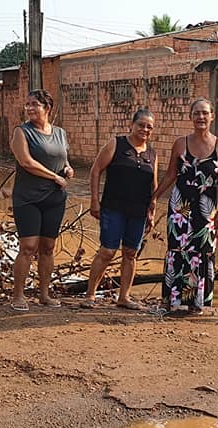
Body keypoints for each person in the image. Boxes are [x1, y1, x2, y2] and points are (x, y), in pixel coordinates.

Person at [151, 98, 218, 315]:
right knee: (177, 250)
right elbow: (170, 175)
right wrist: (154, 197)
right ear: (190, 117)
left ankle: (198, 301)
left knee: (203, 251)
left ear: (212, 116)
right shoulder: (180, 143)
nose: (201, 117)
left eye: (205, 113)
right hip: (180, 207)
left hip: (207, 208)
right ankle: (172, 299)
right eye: (196, 113)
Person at [82, 108, 158, 310]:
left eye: (149, 127)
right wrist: (94, 200)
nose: (144, 129)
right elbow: (96, 170)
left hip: (138, 211)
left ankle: (123, 297)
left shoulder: (152, 153)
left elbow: (154, 185)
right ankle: (90, 295)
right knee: (107, 251)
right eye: (141, 125)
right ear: (131, 125)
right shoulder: (116, 144)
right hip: (113, 207)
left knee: (131, 253)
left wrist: (152, 211)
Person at [9, 89, 75, 311]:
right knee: (28, 246)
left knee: (48, 247)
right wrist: (54, 175)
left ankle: (44, 295)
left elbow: (63, 159)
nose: (29, 108)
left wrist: (67, 169)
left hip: (54, 198)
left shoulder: (60, 133)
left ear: (47, 108)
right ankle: (18, 296)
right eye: (27, 104)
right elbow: (26, 162)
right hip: (28, 198)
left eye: (34, 104)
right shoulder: (22, 132)